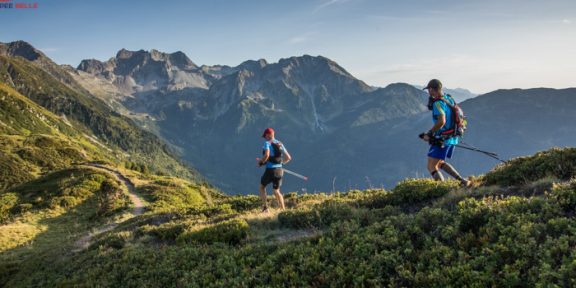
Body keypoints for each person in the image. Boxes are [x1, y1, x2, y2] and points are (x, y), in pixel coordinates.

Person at [420, 79, 471, 187]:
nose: (428, 92)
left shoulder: (438, 103)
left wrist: (429, 134)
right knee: (440, 162)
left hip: (442, 139)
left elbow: (441, 121)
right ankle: (463, 181)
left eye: (429, 89)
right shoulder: (448, 98)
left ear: (431, 89)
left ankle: (443, 189)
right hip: (453, 137)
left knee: (431, 166)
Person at [257, 127, 292, 212]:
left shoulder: (267, 143)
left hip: (270, 171)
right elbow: (288, 158)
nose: (265, 138)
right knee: (276, 191)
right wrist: (280, 163)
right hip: (279, 171)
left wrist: (260, 162)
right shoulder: (280, 144)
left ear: (268, 135)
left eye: (265, 136)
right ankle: (283, 210)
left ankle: (265, 208)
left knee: (262, 187)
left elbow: (267, 155)